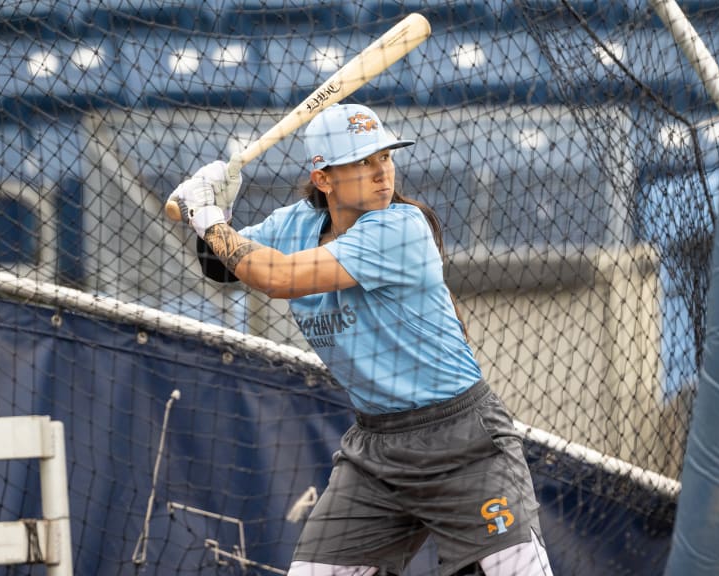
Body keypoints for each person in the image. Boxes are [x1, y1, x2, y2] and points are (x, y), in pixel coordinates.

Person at [168, 103, 554, 576]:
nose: (381, 173)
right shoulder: (295, 226)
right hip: (377, 451)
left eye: (385, 158)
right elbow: (219, 266)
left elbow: (276, 276)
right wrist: (212, 207)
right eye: (362, 162)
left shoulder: (401, 228)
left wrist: (207, 218)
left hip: (463, 442)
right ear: (324, 177)